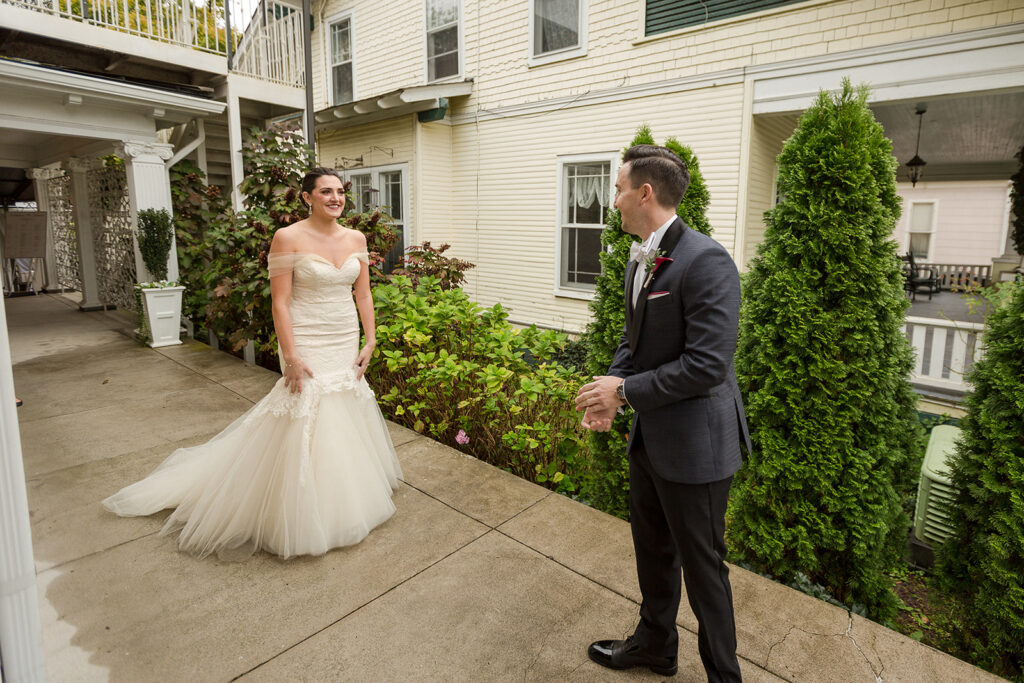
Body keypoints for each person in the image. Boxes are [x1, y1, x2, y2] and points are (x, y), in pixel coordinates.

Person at [103, 167, 402, 560]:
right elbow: (279, 302)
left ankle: (344, 492)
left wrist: (371, 339)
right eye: (325, 191)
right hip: (306, 337)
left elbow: (363, 295)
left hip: (344, 337)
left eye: (340, 191)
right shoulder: (288, 237)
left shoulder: (356, 238)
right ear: (306, 197)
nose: (336, 198)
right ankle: (298, 504)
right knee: (307, 409)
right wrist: (291, 356)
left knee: (343, 405)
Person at [576, 145, 750, 681]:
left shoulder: (706, 259)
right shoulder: (641, 256)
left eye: (619, 188)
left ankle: (725, 675)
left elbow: (707, 365)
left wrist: (624, 392)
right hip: (652, 436)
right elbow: (637, 341)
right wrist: (609, 391)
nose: (615, 200)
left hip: (697, 446)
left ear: (644, 193)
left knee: (703, 570)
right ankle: (656, 646)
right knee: (652, 550)